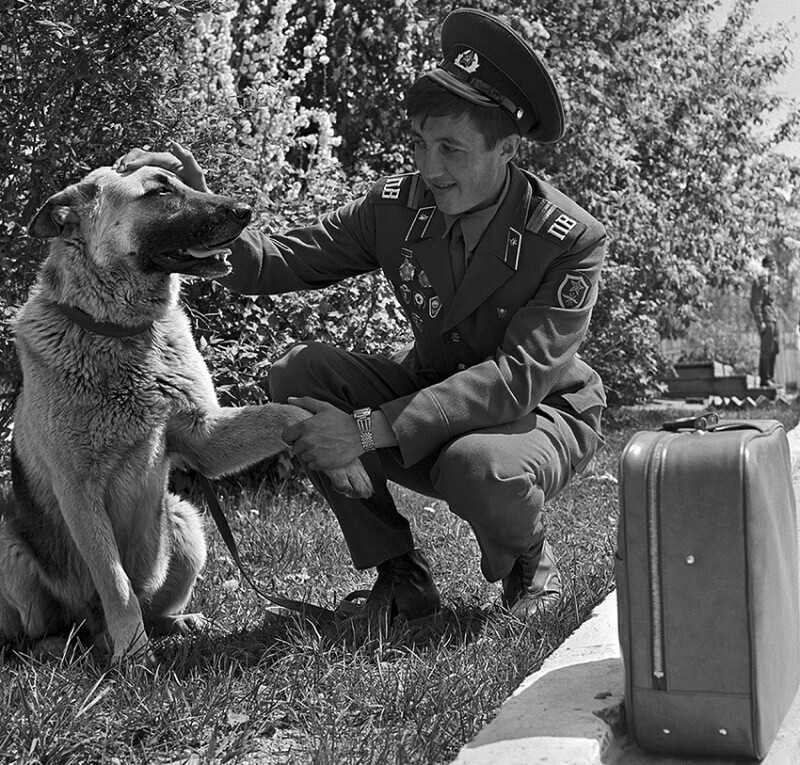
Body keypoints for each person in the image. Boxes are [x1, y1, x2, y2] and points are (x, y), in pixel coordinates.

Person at [114, 8, 607, 626]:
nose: (431, 168)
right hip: (428, 398)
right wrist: (199, 208)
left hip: (537, 413)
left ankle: (528, 557)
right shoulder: (397, 209)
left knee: (476, 466)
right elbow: (276, 264)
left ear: (507, 148)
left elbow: (517, 378)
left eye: (451, 148)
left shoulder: (566, 238)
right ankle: (399, 572)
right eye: (421, 144)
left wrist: (368, 429)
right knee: (301, 373)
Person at [750, 254, 779, 388]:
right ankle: (764, 379)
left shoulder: (771, 282)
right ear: (766, 266)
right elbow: (756, 303)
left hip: (773, 318)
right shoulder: (760, 281)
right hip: (766, 319)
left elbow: (772, 302)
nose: (774, 268)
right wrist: (760, 320)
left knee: (775, 348)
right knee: (766, 349)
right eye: (771, 265)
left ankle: (770, 378)